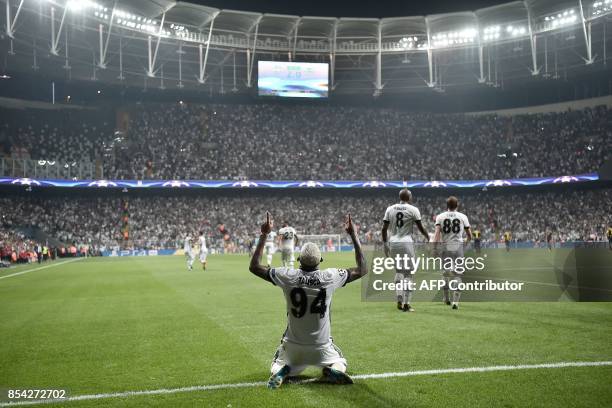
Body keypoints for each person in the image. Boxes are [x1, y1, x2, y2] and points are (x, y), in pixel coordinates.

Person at [249, 212, 367, 389]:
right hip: (322, 346)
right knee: (340, 360)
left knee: (277, 362)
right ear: (320, 260)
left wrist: (264, 234)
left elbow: (255, 267)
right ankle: (333, 369)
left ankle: (282, 370)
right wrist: (353, 234)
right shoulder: (330, 276)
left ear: (298, 260)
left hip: (293, 346)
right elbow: (362, 269)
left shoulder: (287, 276)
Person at [381, 189, 430, 312]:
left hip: (393, 242)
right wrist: (427, 236)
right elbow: (420, 227)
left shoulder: (390, 209)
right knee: (408, 273)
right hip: (406, 242)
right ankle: (407, 304)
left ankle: (399, 297)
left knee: (399, 270)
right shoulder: (413, 210)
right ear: (409, 197)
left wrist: (385, 244)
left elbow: (383, 229)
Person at [433, 196, 472, 310]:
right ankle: (455, 302)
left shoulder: (440, 217)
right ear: (457, 205)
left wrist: (434, 248)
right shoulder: (463, 217)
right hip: (458, 247)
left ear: (447, 206)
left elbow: (436, 234)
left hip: (446, 247)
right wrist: (466, 242)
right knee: (458, 274)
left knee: (445, 273)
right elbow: (469, 235)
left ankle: (446, 298)